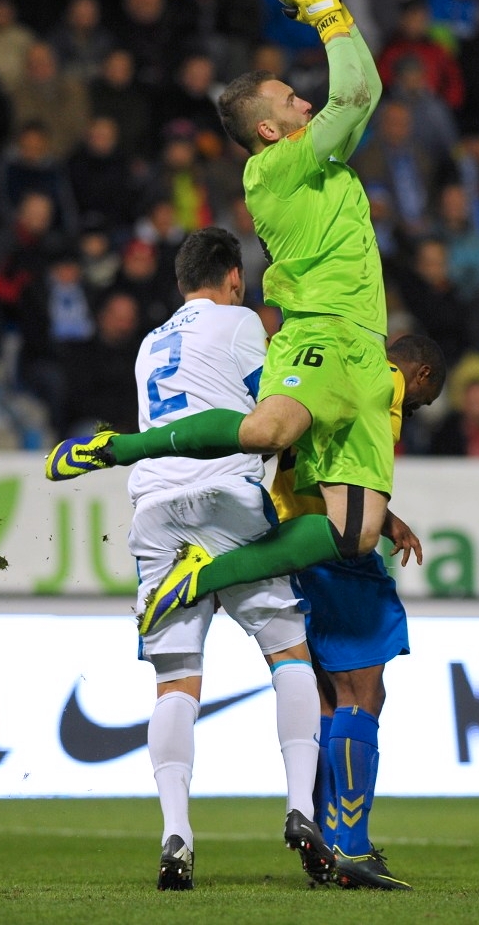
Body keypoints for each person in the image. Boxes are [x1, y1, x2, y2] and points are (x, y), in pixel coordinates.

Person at [46, 0, 409, 645]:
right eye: (291, 101)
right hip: (319, 333)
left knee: (355, 534)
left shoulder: (320, 164)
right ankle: (119, 447)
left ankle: (200, 576)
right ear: (268, 131)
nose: (306, 103)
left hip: (366, 349)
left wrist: (330, 15)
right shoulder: (272, 169)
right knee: (268, 431)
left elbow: (359, 92)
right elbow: (357, 94)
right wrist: (324, 8)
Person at [128, 227, 331, 890]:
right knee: (289, 655)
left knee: (175, 682)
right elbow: (270, 418)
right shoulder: (242, 323)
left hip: (155, 509)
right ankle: (300, 809)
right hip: (225, 499)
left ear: (181, 281)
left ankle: (175, 834)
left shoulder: (149, 344)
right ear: (234, 278)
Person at [271, 333, 446, 890]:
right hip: (334, 548)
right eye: (418, 403)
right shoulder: (383, 380)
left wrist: (387, 518)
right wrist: (375, 519)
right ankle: (351, 845)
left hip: (291, 540)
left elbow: (315, 457)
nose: (409, 412)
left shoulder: (317, 371)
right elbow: (344, 466)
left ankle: (327, 841)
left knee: (328, 696)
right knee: (361, 694)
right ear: (418, 375)